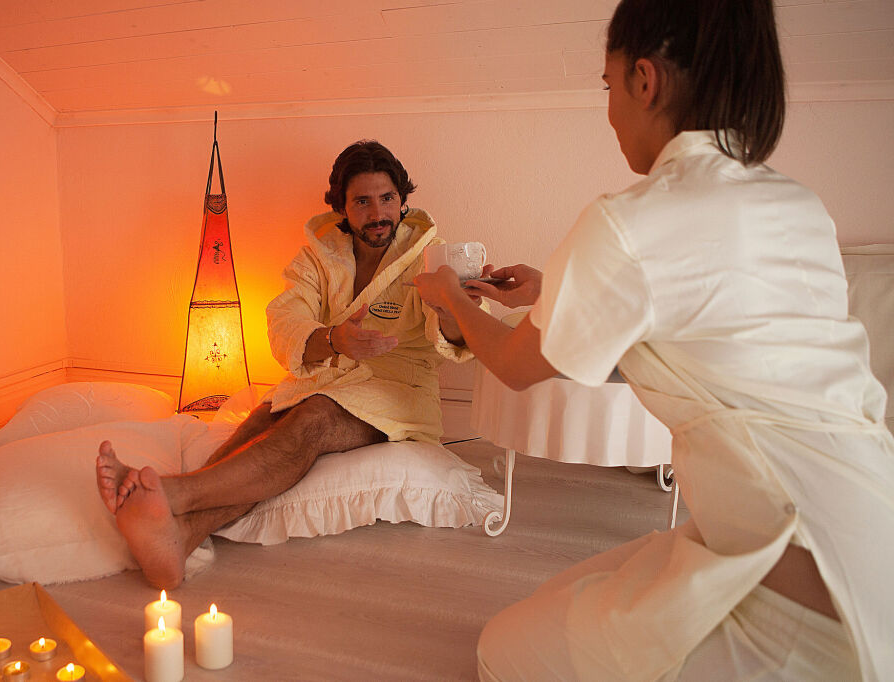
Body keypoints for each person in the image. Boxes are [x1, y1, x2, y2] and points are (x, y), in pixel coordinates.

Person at [413, 0, 893, 679]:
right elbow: (702, 323)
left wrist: (452, 298)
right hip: (873, 514)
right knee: (569, 598)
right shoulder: (798, 205)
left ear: (645, 80)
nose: (609, 112)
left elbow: (517, 368)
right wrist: (554, 292)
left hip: (807, 578)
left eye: (607, 85)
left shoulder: (628, 222)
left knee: (502, 652)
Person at [96, 140, 474, 590]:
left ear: (402, 199)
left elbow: (457, 334)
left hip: (398, 389)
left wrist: (452, 308)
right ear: (342, 206)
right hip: (332, 375)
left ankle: (170, 492)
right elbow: (285, 319)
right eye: (363, 202)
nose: (378, 214)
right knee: (260, 421)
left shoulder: (431, 256)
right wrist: (333, 339)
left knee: (313, 419)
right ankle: (178, 537)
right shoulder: (320, 254)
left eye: (387, 198)